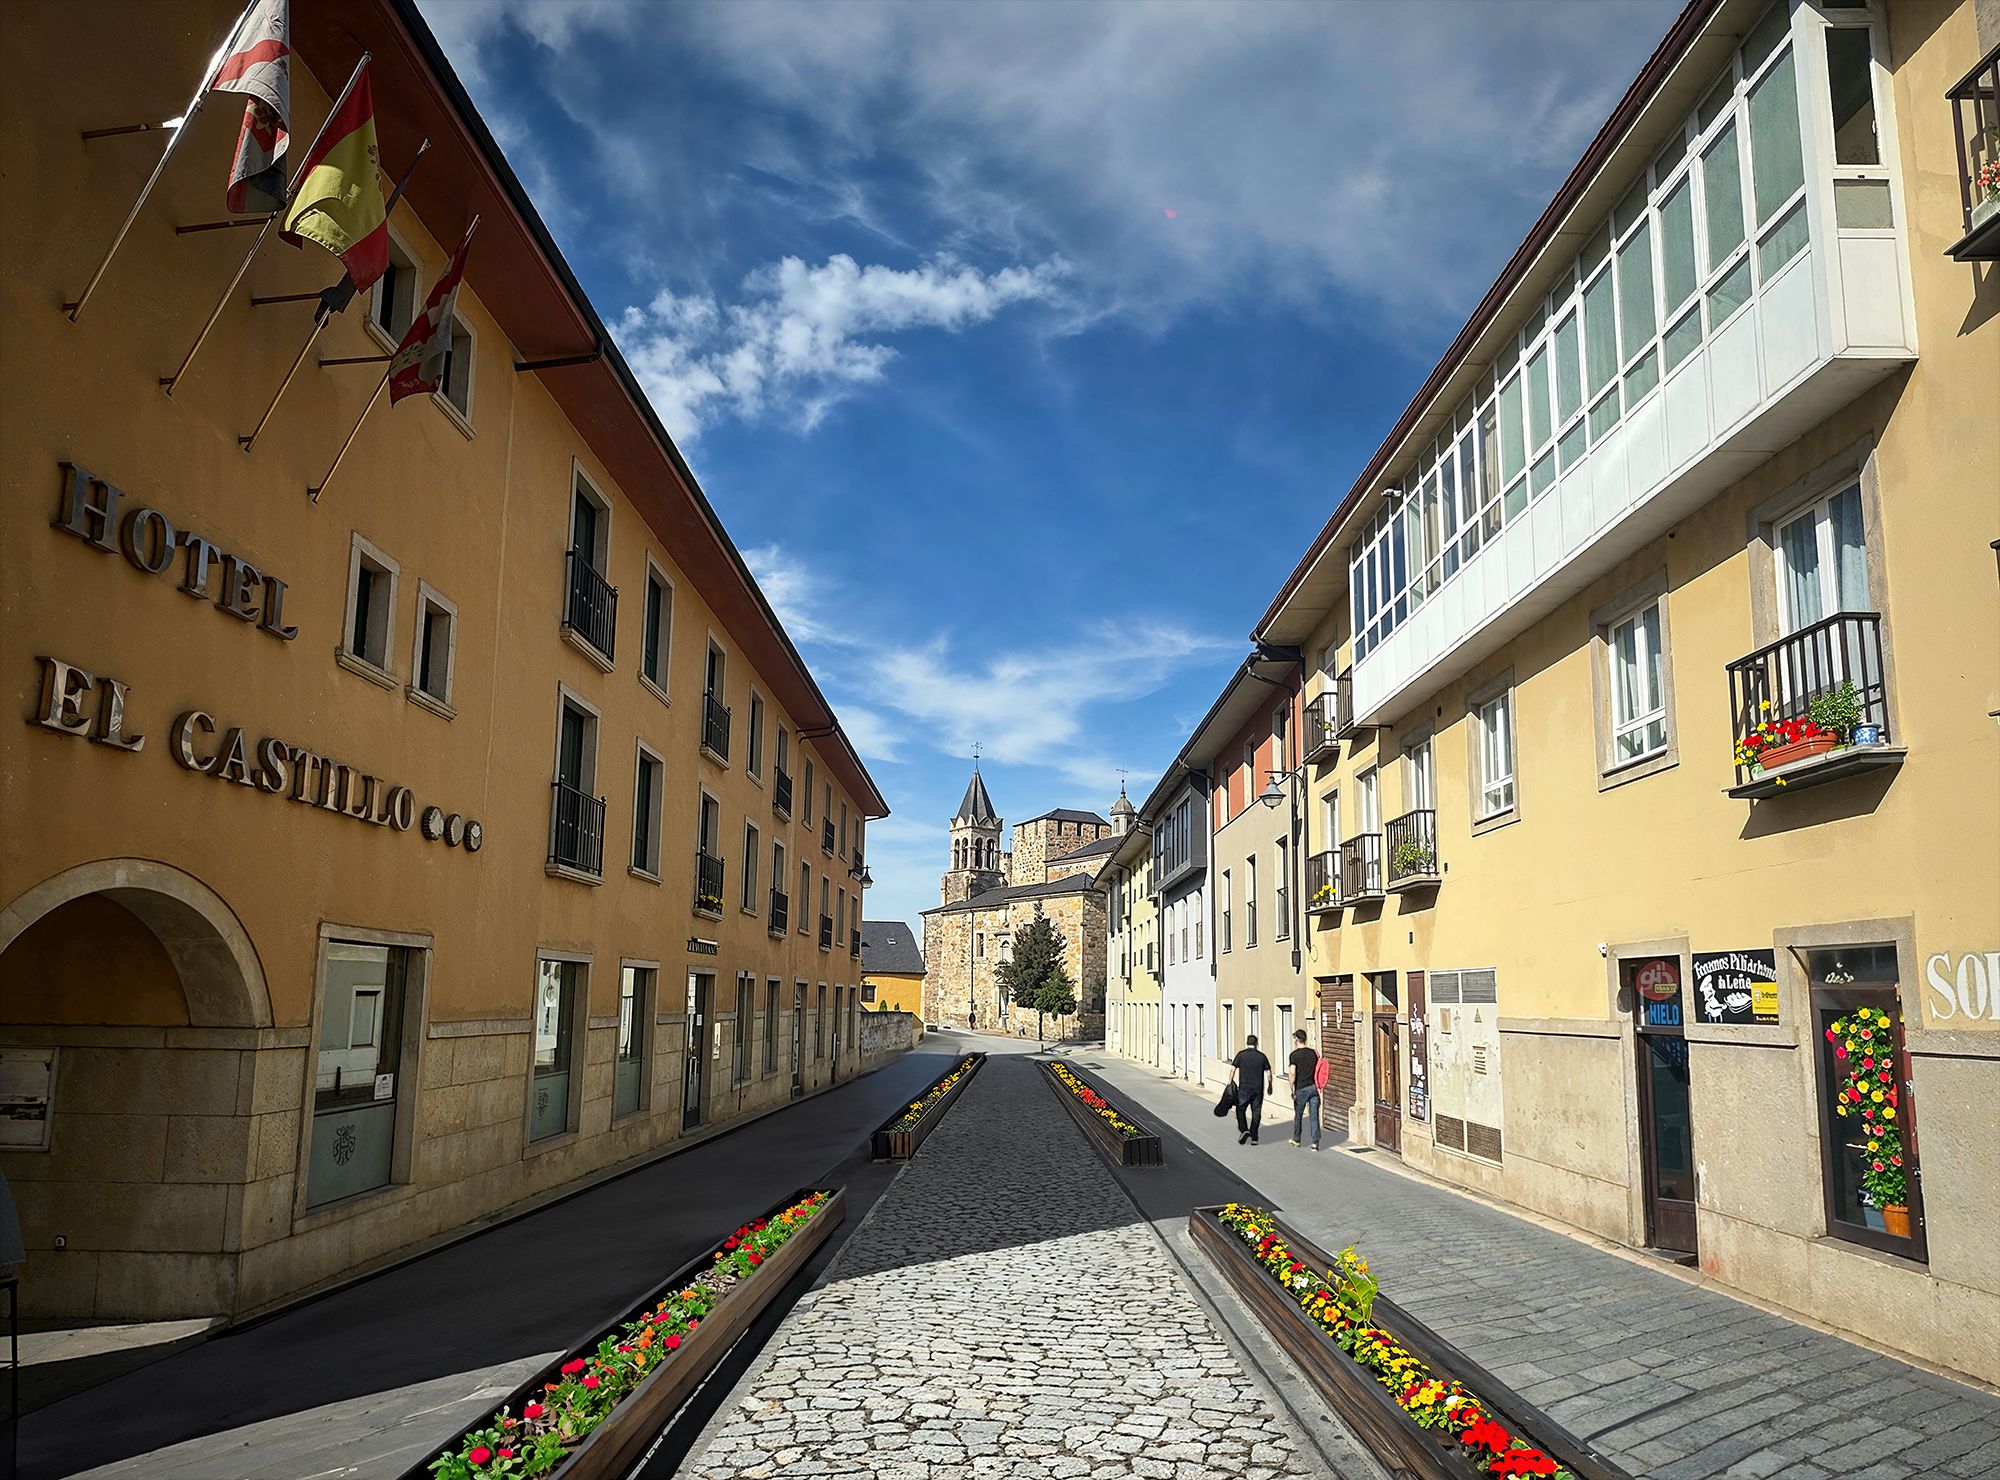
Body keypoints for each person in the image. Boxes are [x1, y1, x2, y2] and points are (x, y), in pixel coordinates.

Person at [1230, 1035, 1273, 1145]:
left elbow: (1233, 1069)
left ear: (1247, 1042)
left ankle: (1244, 1130)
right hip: (1257, 1089)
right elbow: (1268, 1072)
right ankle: (1254, 1137)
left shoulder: (1241, 1055)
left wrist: (1229, 1083)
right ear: (1256, 1043)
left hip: (1244, 1088)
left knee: (1240, 1109)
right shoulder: (1261, 1056)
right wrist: (1270, 1085)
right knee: (1256, 1112)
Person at [1288, 1028, 1322, 1150]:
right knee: (1314, 1115)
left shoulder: (1294, 1055)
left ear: (1297, 1040)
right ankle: (1315, 1142)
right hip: (1313, 1087)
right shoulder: (1313, 1053)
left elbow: (1292, 1073)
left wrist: (1292, 1088)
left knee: (1298, 1115)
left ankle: (1297, 1139)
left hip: (1301, 1088)